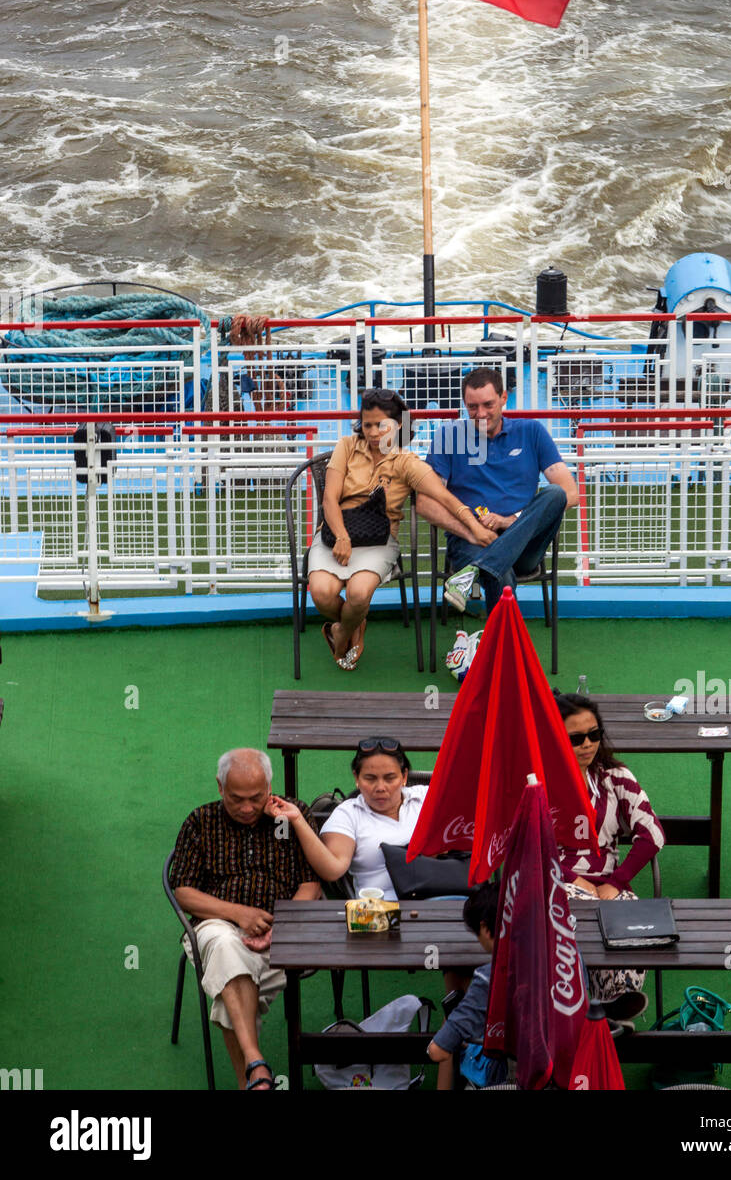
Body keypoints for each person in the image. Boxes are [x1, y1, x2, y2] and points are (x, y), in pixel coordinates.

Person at [308, 387, 495, 668]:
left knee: (358, 594)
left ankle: (342, 630)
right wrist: (342, 537)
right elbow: (329, 499)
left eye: (381, 425)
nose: (373, 433)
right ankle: (354, 621)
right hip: (335, 532)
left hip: (379, 539)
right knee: (321, 593)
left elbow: (444, 497)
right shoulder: (346, 446)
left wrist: (474, 527)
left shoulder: (407, 462)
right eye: (368, 425)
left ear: (398, 425)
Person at [169, 748, 321, 1090]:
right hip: (217, 925)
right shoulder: (200, 821)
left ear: (269, 785)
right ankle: (255, 1062)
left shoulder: (291, 815)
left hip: (281, 930)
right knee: (225, 945)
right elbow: (184, 892)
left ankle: (252, 1078)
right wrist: (239, 913)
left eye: (257, 797)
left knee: (228, 987)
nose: (248, 807)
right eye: (237, 799)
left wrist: (280, 926)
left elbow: (311, 883)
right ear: (220, 787)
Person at [421, 367, 579, 614]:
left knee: (555, 494)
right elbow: (425, 503)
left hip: (524, 544)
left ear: (504, 398)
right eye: (472, 407)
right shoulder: (448, 436)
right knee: (499, 574)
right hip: (470, 539)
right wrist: (473, 531)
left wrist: (510, 521)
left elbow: (571, 492)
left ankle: (479, 569)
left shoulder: (531, 432)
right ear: (464, 403)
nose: (480, 413)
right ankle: (505, 649)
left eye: (488, 404)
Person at [554, 691, 665, 1023]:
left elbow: (653, 834)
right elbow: (530, 847)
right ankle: (590, 1011)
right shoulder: (538, 782)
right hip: (556, 880)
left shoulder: (616, 776)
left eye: (594, 734)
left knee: (632, 926)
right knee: (578, 916)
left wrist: (618, 881)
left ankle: (610, 1007)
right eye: (576, 738)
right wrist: (575, 880)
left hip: (609, 886)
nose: (588, 744)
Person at [265, 736, 425, 901]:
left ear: (404, 776)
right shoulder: (348, 814)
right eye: (370, 778)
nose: (380, 787)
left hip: (439, 900)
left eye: (390, 778)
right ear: (356, 778)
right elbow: (332, 869)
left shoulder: (426, 797)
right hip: (380, 911)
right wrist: (298, 819)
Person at [426, 880, 507, 1090]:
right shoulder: (569, 958)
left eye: (477, 935)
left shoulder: (489, 977)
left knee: (453, 1023)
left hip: (511, 1079)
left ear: (485, 928)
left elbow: (438, 1050)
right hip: (564, 1073)